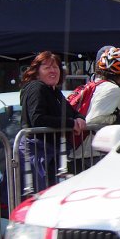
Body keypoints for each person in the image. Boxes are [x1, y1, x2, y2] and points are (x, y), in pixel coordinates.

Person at [19, 51, 86, 192]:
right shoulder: (37, 88)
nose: (53, 71)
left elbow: (72, 112)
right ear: (37, 73)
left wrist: (79, 118)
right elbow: (37, 119)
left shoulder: (54, 91)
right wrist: (70, 123)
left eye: (55, 67)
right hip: (37, 155)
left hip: (52, 155)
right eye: (47, 67)